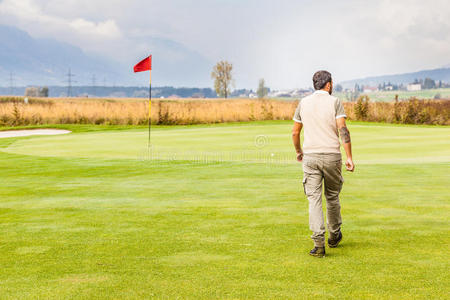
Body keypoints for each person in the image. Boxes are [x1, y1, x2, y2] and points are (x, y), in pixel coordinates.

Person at [292, 70, 355, 258]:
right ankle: (334, 236)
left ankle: (318, 243)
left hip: (310, 156)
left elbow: (295, 133)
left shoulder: (303, 103)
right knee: (332, 196)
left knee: (314, 199)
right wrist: (349, 156)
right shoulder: (334, 101)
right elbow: (343, 129)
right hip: (332, 156)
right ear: (328, 85)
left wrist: (298, 152)